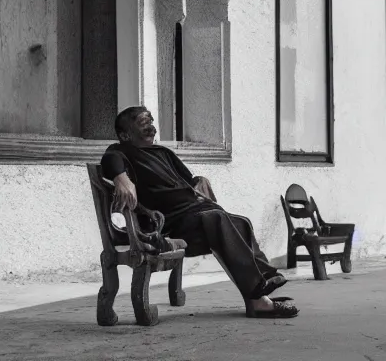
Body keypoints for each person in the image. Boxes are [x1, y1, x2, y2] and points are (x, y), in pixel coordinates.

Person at [101, 106, 299, 319]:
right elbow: (110, 159)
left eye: (151, 122)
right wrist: (120, 177)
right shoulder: (121, 152)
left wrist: (200, 181)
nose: (151, 127)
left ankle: (257, 300)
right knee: (217, 219)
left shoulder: (164, 153)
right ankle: (264, 281)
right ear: (125, 134)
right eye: (143, 123)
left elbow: (188, 181)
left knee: (241, 223)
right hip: (168, 226)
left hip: (195, 215)